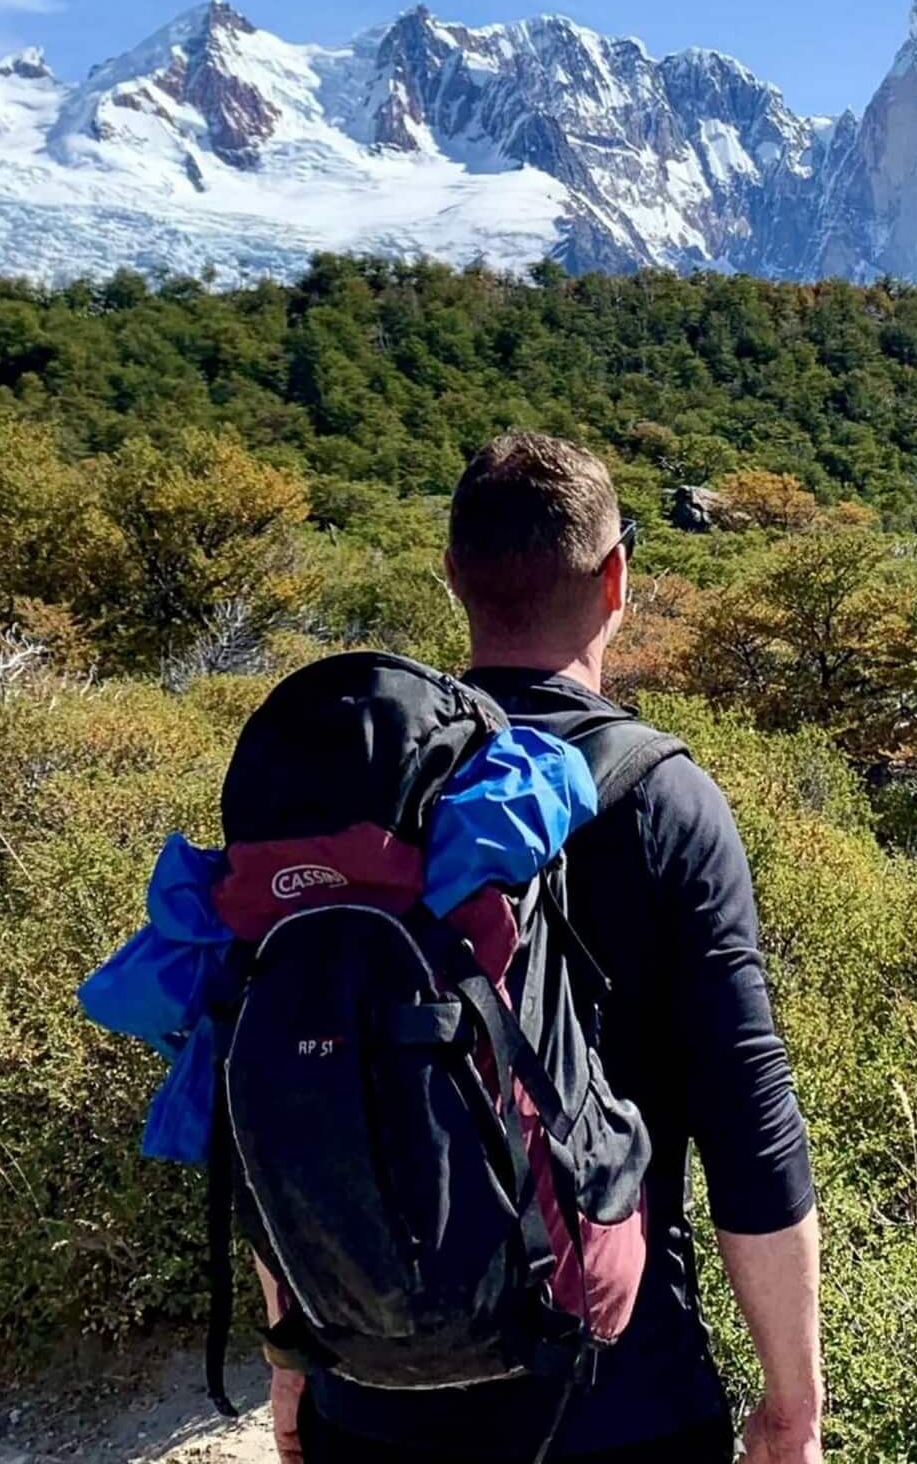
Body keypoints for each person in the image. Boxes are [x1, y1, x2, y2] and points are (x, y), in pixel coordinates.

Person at [275, 433, 823, 1464]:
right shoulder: (665, 801)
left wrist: (294, 1367)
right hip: (619, 1402)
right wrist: (791, 1411)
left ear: (452, 577)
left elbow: (289, 1085)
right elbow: (752, 1134)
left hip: (372, 1395)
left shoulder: (366, 795)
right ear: (617, 576)